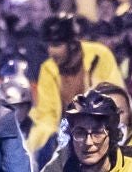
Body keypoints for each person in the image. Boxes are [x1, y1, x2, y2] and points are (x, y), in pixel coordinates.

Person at [25, 17, 124, 155]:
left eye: (57, 44)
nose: (51, 51)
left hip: (103, 127)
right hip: (68, 134)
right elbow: (46, 117)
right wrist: (29, 151)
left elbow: (116, 99)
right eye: (49, 45)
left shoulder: (100, 55)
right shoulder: (48, 68)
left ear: (72, 44)